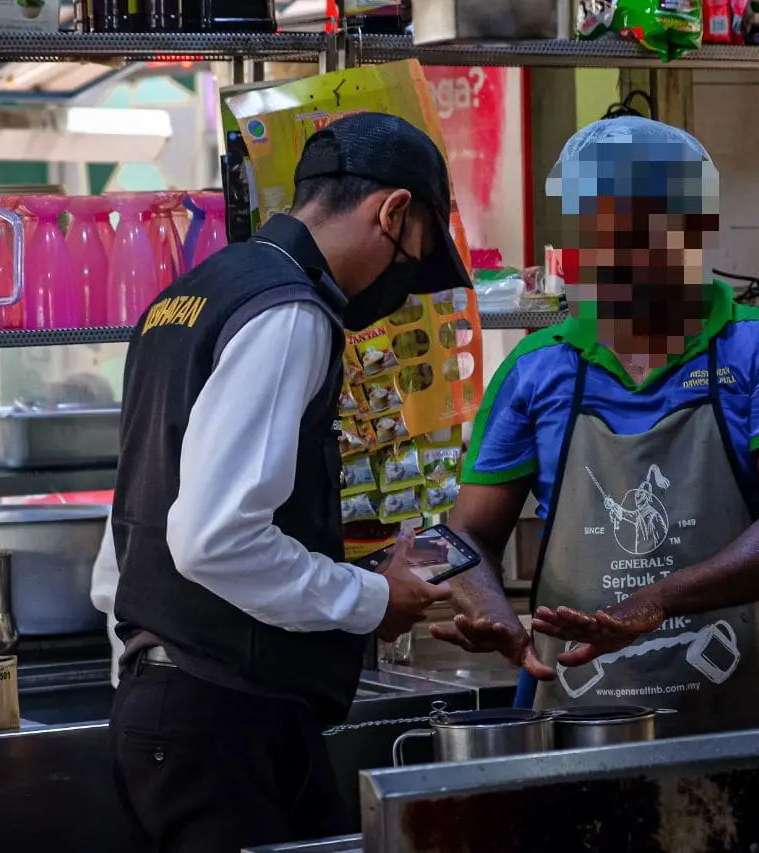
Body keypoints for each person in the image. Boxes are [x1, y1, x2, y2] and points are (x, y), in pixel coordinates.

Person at [108, 112, 468, 852]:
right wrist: (374, 598)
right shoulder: (289, 311)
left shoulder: (192, 295)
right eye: (416, 259)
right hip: (221, 717)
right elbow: (214, 539)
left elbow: (136, 521)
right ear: (392, 212)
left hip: (174, 704)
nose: (402, 286)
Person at [432, 116, 759, 737]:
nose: (619, 254)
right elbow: (465, 533)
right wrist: (488, 607)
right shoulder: (537, 367)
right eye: (601, 230)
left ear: (696, 229)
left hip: (735, 727)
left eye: (643, 229)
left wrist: (655, 600)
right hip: (578, 721)